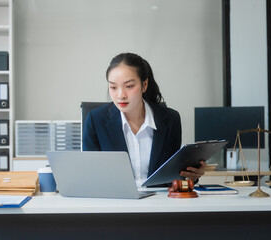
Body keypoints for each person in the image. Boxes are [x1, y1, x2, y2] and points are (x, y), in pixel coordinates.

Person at [83, 52, 206, 186]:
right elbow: (90, 175)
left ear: (144, 85)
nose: (120, 95)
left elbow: (172, 174)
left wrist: (191, 174)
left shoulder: (170, 119)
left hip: (158, 202)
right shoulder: (96, 120)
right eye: (113, 87)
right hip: (115, 202)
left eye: (129, 86)